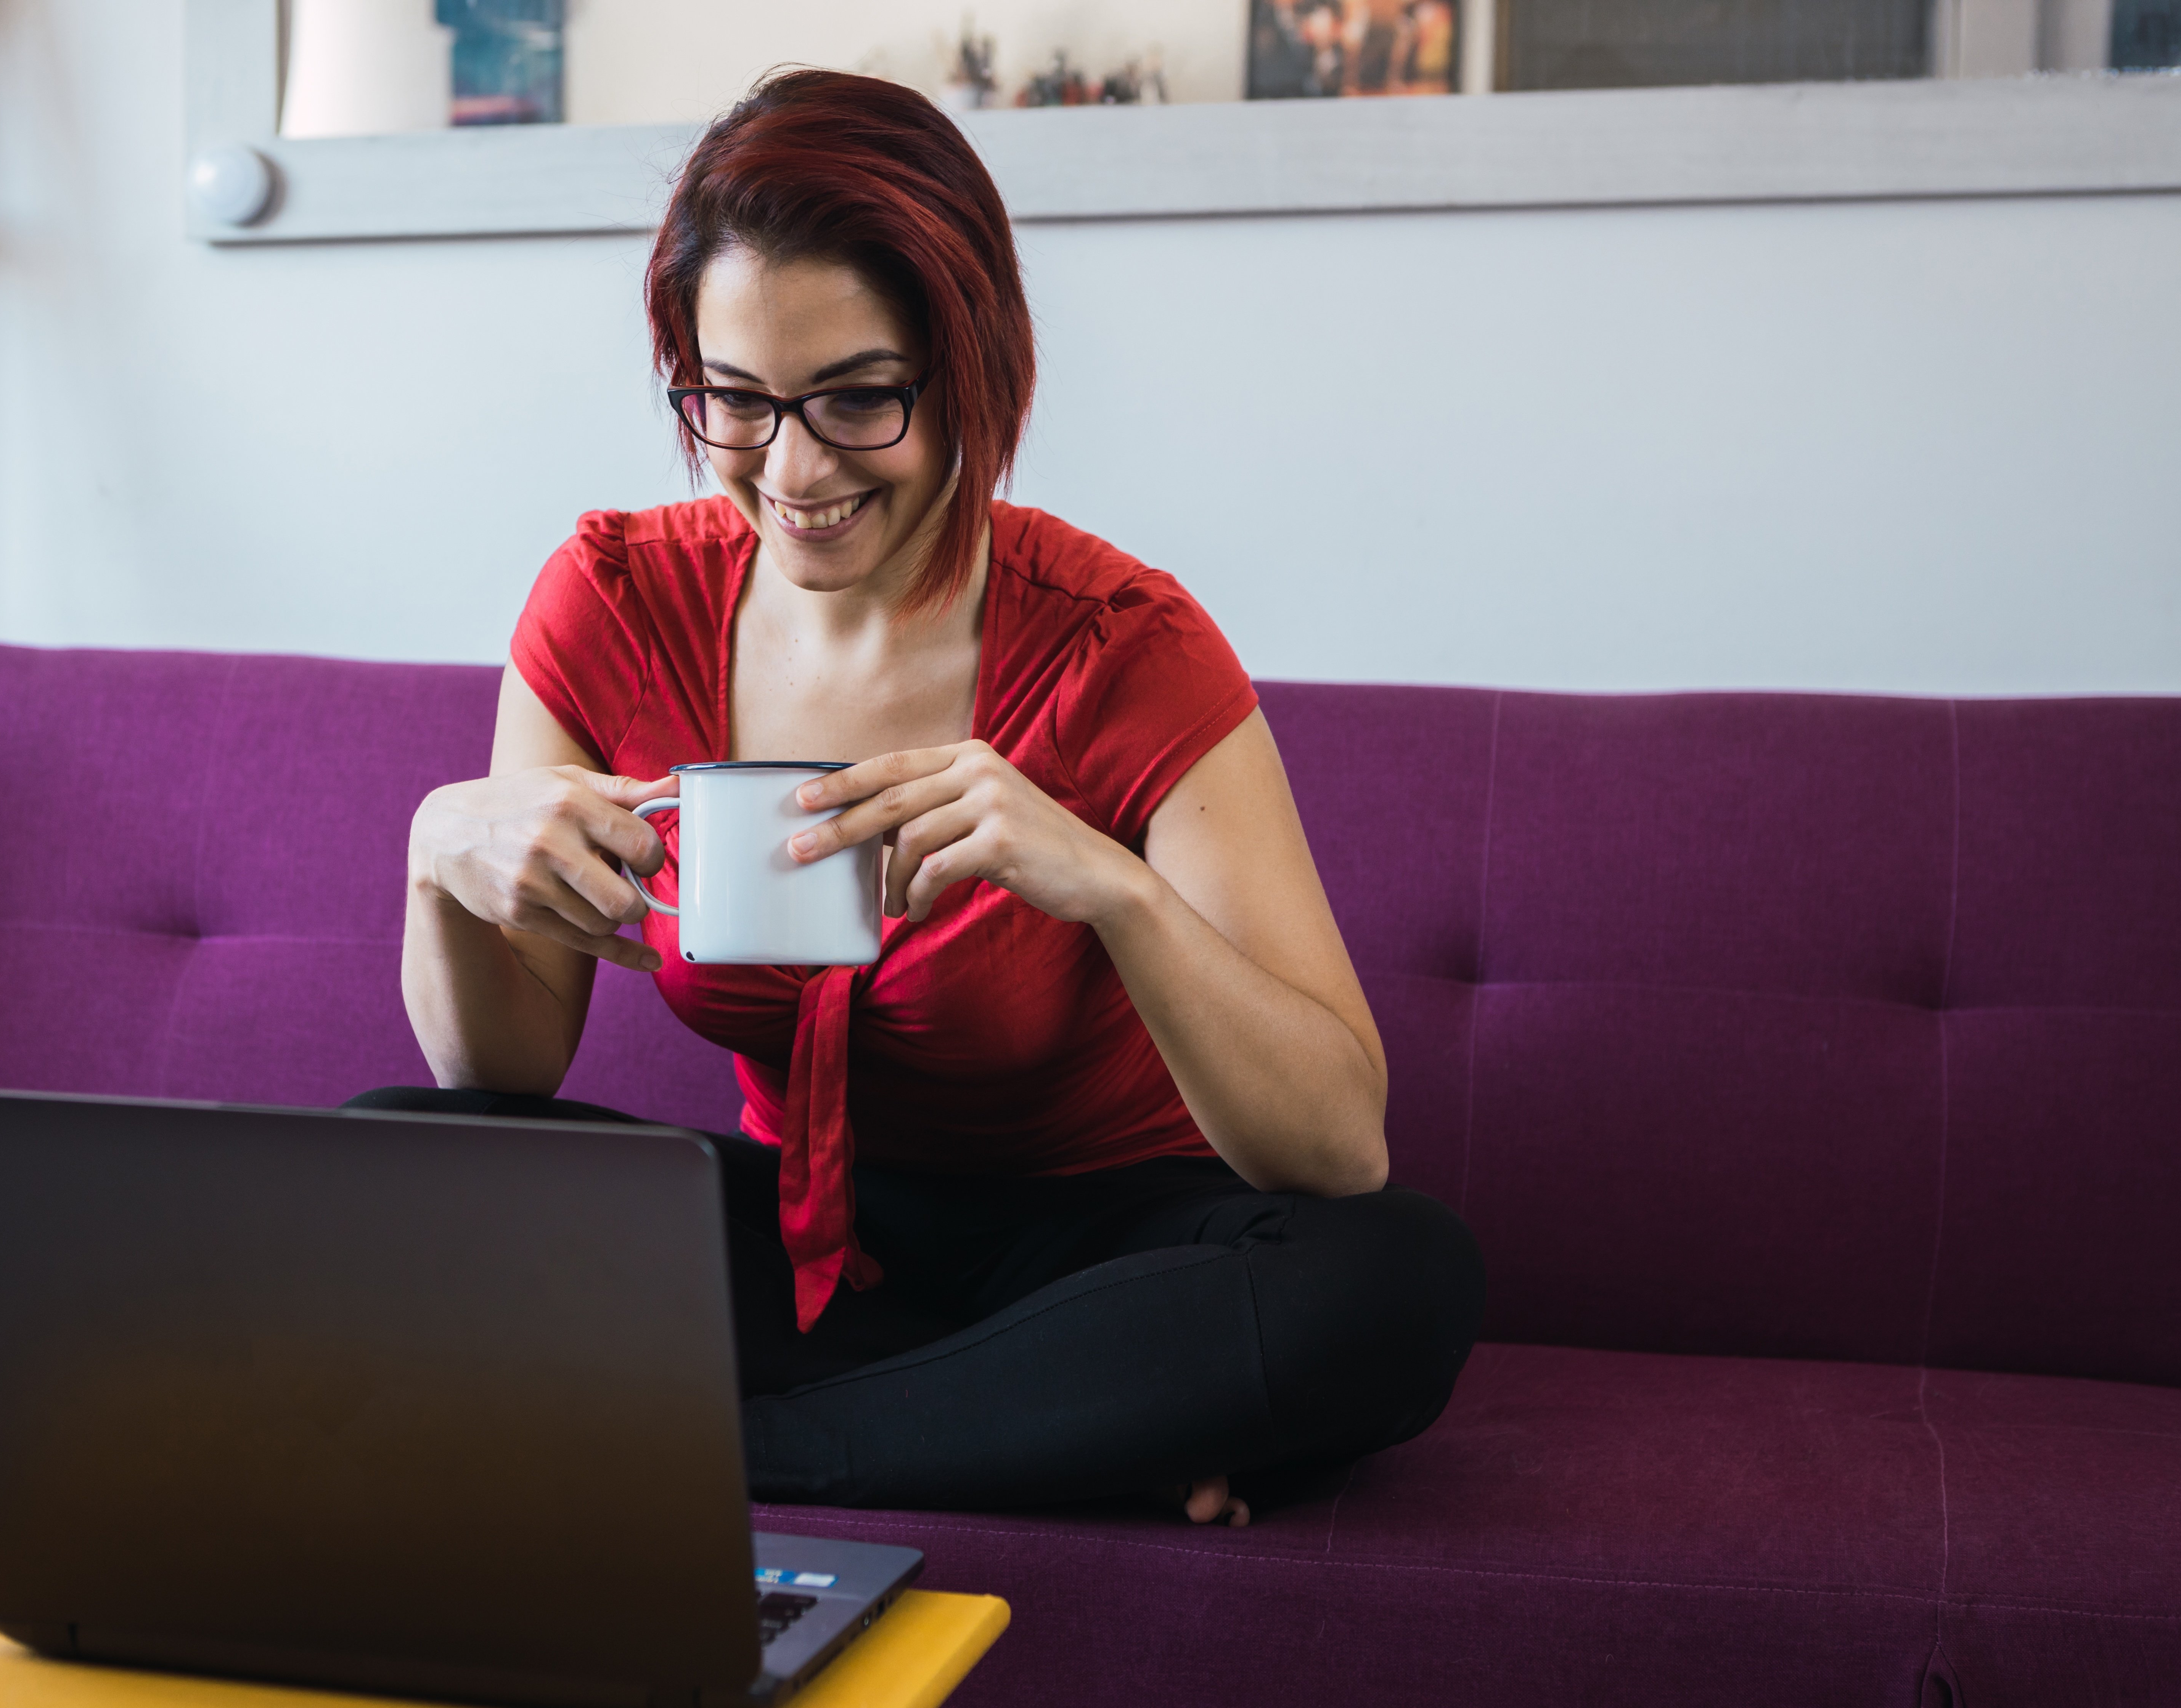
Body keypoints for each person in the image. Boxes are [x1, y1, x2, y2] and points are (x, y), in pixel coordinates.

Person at [374, 69, 1482, 1527]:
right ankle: (1052, 1432)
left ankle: (757, 1446)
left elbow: (1340, 1150)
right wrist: (439, 852)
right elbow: (500, 1074)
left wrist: (1109, 886)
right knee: (400, 1160)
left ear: (968, 368)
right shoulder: (615, 600)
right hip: (808, 1247)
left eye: (858, 399)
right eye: (737, 403)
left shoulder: (1120, 646)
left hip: (1108, 1257)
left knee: (1394, 1282)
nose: (793, 467)